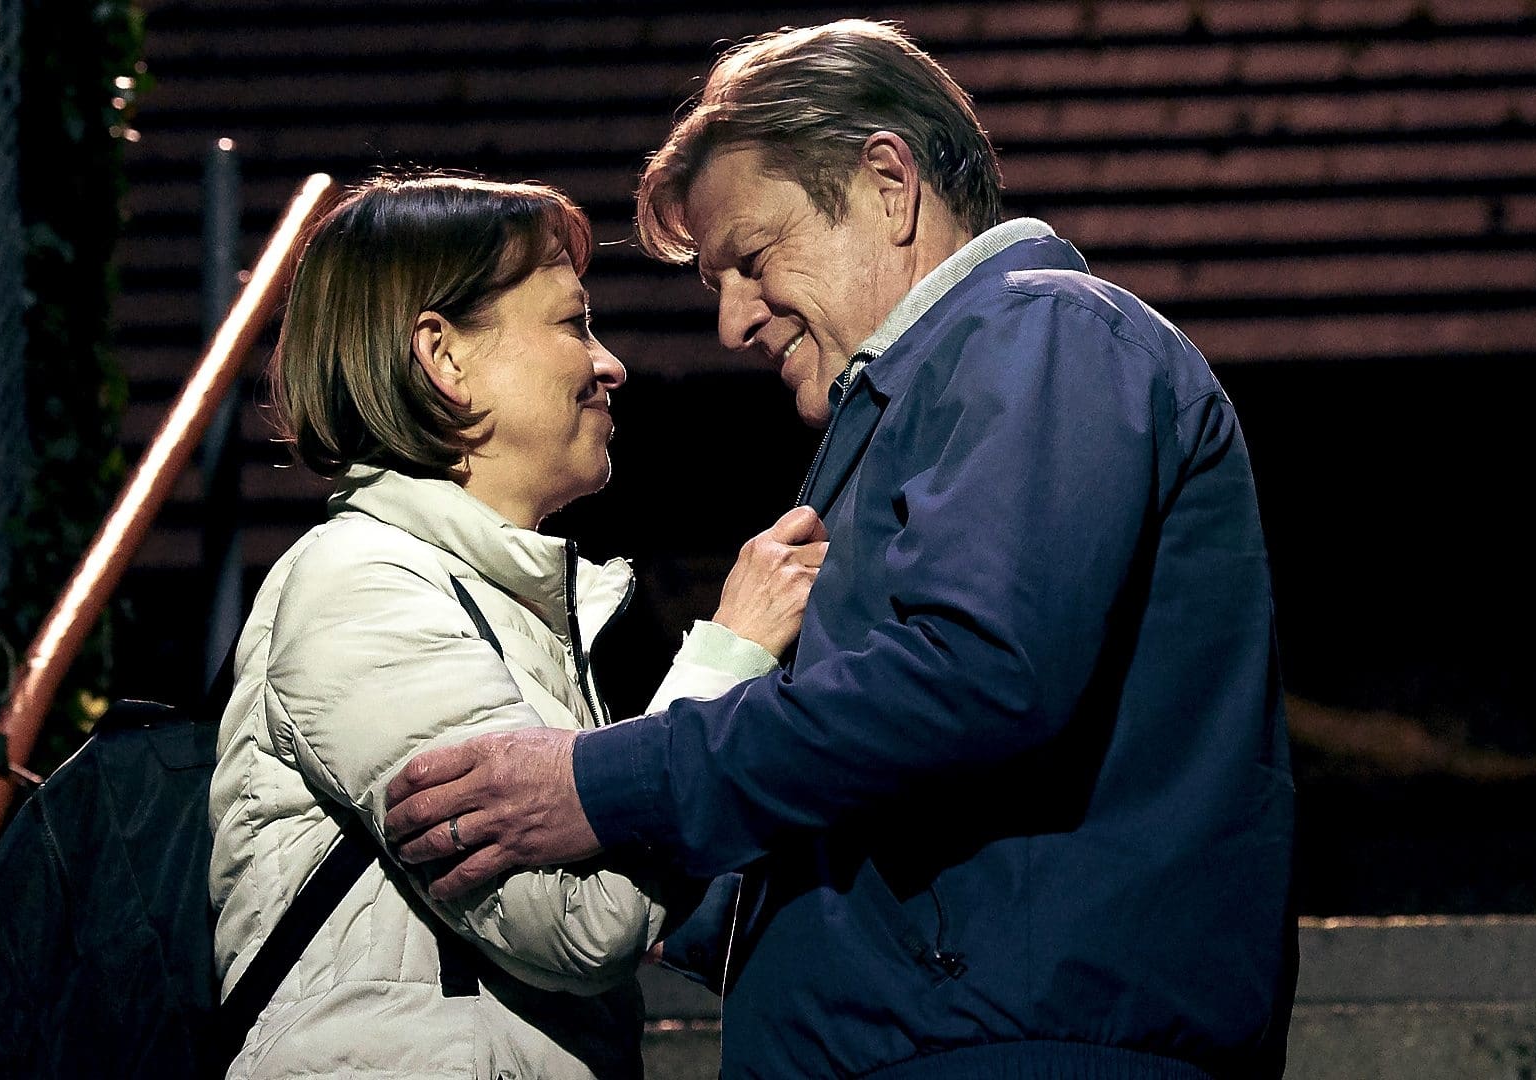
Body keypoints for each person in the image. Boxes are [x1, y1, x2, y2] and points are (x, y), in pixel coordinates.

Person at [384, 20, 1298, 1080]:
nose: (732, 324)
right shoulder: (939, 393)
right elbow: (879, 764)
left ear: (888, 184)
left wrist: (606, 782)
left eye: (752, 260)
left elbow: (973, 677)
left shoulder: (1040, 332)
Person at [207, 173, 825, 1079]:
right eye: (575, 323)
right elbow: (580, 925)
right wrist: (730, 652)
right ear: (444, 357)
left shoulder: (492, 600)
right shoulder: (366, 588)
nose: (610, 365)